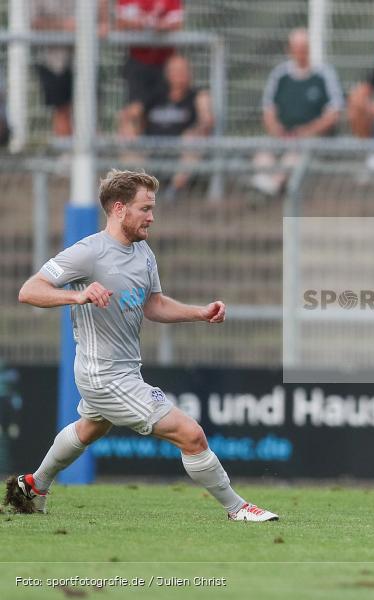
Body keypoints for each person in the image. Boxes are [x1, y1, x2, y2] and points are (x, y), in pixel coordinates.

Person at [5, 169, 277, 522]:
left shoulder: (144, 253)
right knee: (190, 434)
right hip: (103, 374)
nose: (152, 216)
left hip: (123, 368)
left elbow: (153, 305)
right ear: (119, 209)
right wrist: (78, 296)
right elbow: (29, 290)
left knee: (91, 427)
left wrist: (200, 312)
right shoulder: (88, 253)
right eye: (145, 208)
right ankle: (237, 508)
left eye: (152, 208)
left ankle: (35, 486)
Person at [252, 28, 344, 196]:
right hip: (283, 135)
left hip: (311, 138)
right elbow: (268, 110)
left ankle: (272, 188)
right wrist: (277, 131)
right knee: (263, 155)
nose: (300, 53)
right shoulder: (280, 75)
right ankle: (269, 188)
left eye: (304, 48)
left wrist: (307, 131)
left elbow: (334, 113)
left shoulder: (324, 74)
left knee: (293, 157)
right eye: (296, 48)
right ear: (289, 49)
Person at [119, 54, 214, 196]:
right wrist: (130, 125)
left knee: (193, 140)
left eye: (183, 70)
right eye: (175, 70)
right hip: (152, 149)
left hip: (181, 152)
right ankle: (141, 193)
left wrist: (201, 123)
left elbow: (207, 121)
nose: (179, 74)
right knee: (126, 136)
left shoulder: (197, 97)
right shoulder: (156, 95)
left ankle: (172, 191)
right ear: (167, 74)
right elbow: (129, 114)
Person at [30, 0, 109, 137]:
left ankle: (89, 150)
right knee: (62, 110)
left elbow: (104, 23)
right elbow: (34, 22)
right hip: (53, 59)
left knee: (89, 110)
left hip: (86, 60)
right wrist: (65, 25)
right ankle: (67, 154)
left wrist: (100, 23)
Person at [116, 0, 183, 111]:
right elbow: (119, 23)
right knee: (135, 110)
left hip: (165, 63)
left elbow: (178, 24)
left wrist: (164, 26)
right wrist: (134, 23)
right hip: (138, 61)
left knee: (163, 109)